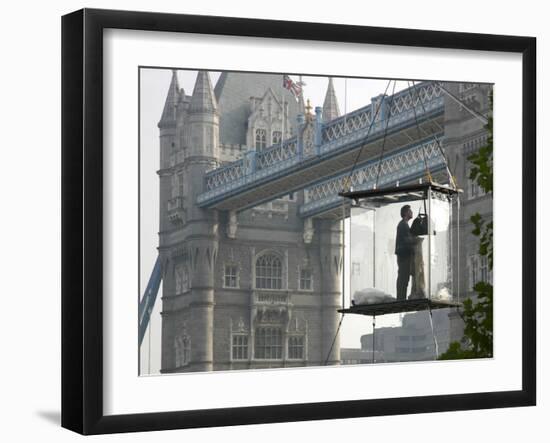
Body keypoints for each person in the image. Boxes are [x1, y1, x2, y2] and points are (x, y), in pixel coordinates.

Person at [395, 204, 415, 301]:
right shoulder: (403, 225)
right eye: (410, 211)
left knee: (404, 276)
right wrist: (415, 241)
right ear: (406, 213)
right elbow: (407, 240)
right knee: (403, 276)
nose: (412, 212)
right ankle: (401, 298)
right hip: (404, 255)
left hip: (404, 254)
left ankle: (401, 297)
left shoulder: (404, 224)